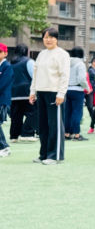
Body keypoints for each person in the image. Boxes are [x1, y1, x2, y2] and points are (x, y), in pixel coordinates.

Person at [29, 27, 70, 164]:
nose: (48, 40)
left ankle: (55, 156)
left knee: (55, 126)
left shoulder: (62, 54)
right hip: (41, 92)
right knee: (43, 126)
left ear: (56, 38)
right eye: (46, 37)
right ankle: (44, 154)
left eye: (51, 37)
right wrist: (32, 91)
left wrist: (61, 93)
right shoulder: (41, 54)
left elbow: (65, 75)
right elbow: (35, 74)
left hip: (54, 93)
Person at [9, 43, 37, 142]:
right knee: (33, 112)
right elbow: (35, 76)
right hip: (27, 92)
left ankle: (14, 136)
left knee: (16, 115)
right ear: (26, 51)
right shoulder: (29, 61)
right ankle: (27, 133)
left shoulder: (10, 63)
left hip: (13, 93)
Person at [63, 47, 91, 141]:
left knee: (68, 112)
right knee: (77, 112)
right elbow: (82, 79)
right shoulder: (80, 64)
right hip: (78, 90)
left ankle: (66, 133)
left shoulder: (66, 63)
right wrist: (87, 88)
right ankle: (76, 134)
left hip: (67, 89)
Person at [0, 43, 11, 157]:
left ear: (5, 53)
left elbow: (3, 84)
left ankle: (4, 147)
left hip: (2, 100)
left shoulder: (7, 66)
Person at [85, 56, 95, 131]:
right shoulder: (91, 70)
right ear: (93, 62)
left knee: (94, 106)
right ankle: (94, 120)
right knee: (90, 106)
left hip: (94, 91)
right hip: (91, 90)